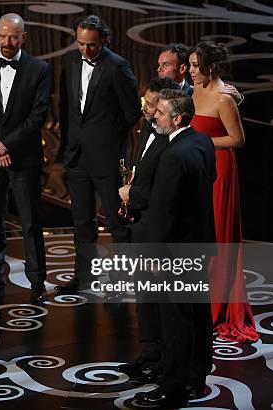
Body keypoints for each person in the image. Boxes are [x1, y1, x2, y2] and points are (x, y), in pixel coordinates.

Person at [134, 89, 216, 407]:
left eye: (161, 113)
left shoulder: (172, 154)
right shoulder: (203, 142)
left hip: (175, 251)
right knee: (198, 314)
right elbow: (209, 180)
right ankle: (197, 378)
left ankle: (174, 386)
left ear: (177, 118)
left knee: (176, 320)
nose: (155, 116)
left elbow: (163, 211)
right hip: (200, 245)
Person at [57, 15, 140, 292]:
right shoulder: (69, 61)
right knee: (82, 222)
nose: (85, 50)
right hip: (77, 156)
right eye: (80, 43)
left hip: (107, 157)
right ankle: (84, 277)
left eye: (91, 45)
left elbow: (131, 112)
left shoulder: (117, 66)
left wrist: (109, 138)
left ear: (104, 40)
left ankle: (120, 282)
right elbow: (66, 106)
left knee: (117, 223)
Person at [0, 13, 51, 304]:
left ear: (23, 38)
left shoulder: (40, 69)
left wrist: (7, 145)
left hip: (24, 158)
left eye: (13, 37)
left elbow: (37, 117)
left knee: (30, 222)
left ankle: (37, 281)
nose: (7, 42)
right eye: (3, 35)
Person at [188, 41, 259, 342]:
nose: (190, 71)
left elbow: (237, 140)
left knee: (217, 239)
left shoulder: (224, 97)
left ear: (210, 67)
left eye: (195, 66)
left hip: (219, 171)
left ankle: (218, 310)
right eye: (190, 65)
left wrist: (202, 143)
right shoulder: (194, 90)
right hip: (197, 168)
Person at [116, 76, 180, 380]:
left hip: (157, 228)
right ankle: (149, 351)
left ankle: (165, 359)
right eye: (145, 103)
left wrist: (134, 195)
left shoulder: (173, 140)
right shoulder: (146, 128)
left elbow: (163, 191)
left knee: (160, 297)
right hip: (138, 221)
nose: (146, 110)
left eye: (152, 106)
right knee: (144, 294)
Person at [157, 42, 243, 103]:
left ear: (182, 68)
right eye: (159, 64)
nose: (159, 69)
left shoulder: (194, 93)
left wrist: (237, 101)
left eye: (166, 65)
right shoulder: (153, 92)